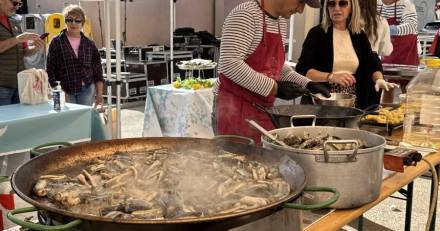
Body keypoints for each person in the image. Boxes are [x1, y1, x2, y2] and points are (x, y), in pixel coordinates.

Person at [213, 0, 330, 144]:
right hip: (233, 110)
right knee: (235, 163)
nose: (300, 10)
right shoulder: (245, 14)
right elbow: (229, 64)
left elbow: (276, 67)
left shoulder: (280, 21)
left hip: (262, 109)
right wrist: (275, 88)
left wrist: (307, 84)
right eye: (301, 2)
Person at [296, 0, 398, 110]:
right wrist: (330, 77)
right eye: (332, 4)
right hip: (321, 102)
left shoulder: (359, 35)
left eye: (342, 3)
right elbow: (302, 70)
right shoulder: (316, 34)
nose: (337, 8)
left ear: (351, 8)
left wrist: (379, 79)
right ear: (327, 8)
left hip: (352, 103)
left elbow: (372, 63)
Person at [47, 4, 103, 106]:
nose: (73, 23)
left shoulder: (89, 43)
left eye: (77, 20)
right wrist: (58, 90)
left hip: (87, 89)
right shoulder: (56, 42)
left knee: (84, 119)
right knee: (69, 120)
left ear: (82, 23)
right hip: (65, 90)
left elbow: (98, 70)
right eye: (69, 19)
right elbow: (50, 70)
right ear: (65, 21)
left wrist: (99, 93)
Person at [0, 0, 44, 105]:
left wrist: (35, 48)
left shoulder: (14, 21)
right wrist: (17, 39)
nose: (17, 7)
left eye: (20, 4)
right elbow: (16, 40)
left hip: (20, 84)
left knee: (17, 120)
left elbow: (24, 52)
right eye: (15, 3)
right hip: (2, 87)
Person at [377, 0, 418, 65]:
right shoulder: (376, 4)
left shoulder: (405, 4)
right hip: (385, 55)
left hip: (406, 55)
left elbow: (412, 26)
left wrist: (388, 30)